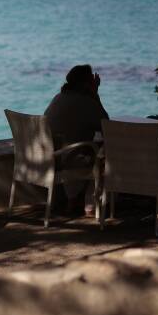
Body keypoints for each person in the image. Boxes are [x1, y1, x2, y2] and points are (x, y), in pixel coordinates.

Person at [44, 65, 109, 215]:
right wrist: (95, 94)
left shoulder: (58, 98)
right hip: (69, 159)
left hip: (49, 155)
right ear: (87, 83)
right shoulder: (86, 102)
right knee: (103, 157)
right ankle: (91, 205)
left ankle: (73, 201)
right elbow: (106, 125)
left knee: (84, 148)